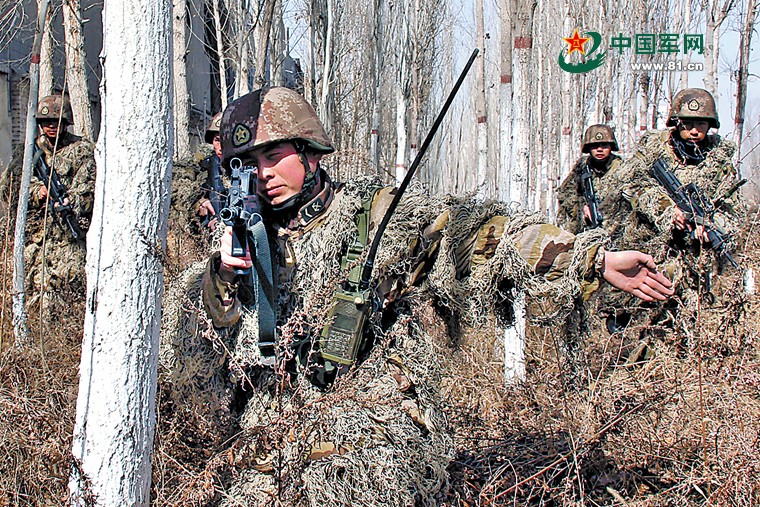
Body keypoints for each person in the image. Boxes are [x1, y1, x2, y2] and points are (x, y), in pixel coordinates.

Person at [160, 87, 673, 505]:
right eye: (248, 163)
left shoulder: (373, 214)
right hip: (274, 434)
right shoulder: (239, 242)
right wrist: (222, 276)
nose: (264, 174)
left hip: (369, 424)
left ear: (312, 155)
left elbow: (474, 235)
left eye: (274, 155)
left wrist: (588, 260)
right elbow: (197, 356)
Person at [599, 88, 745, 336]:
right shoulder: (654, 150)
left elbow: (733, 210)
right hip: (645, 243)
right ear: (676, 123)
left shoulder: (719, 162)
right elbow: (630, 186)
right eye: (688, 123)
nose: (695, 130)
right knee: (631, 311)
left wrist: (710, 227)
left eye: (701, 123)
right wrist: (666, 210)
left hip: (693, 258)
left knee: (686, 318)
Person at [3, 94, 96, 305]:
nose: (51, 126)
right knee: (31, 296)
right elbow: (9, 187)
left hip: (70, 238)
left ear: (66, 122)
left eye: (56, 121)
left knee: (72, 290)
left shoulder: (81, 150)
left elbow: (90, 187)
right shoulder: (28, 152)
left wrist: (69, 201)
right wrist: (37, 191)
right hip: (36, 241)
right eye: (46, 122)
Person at [556, 124, 623, 234]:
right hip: (588, 228)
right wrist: (582, 208)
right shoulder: (582, 167)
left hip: (618, 227)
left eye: (604, 146)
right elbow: (566, 194)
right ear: (588, 148)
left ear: (611, 146)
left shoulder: (623, 168)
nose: (600, 150)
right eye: (595, 146)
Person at [196, 111, 225, 231]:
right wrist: (200, 202)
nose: (221, 146)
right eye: (217, 140)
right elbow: (180, 189)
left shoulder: (248, 165)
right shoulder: (203, 165)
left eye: (225, 140)